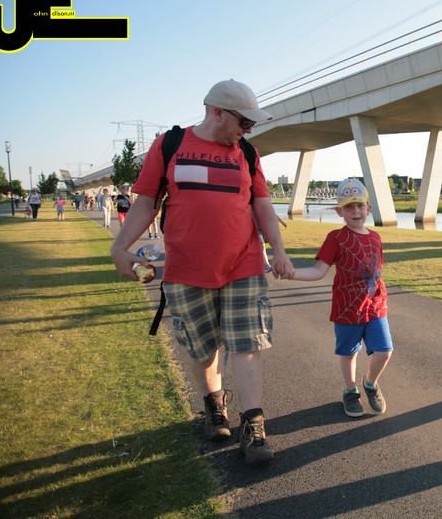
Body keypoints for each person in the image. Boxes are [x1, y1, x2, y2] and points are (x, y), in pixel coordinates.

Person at [110, 79, 294, 464]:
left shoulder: (247, 153)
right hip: (187, 269)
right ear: (217, 112)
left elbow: (262, 205)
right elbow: (146, 202)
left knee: (246, 344)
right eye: (244, 122)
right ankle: (214, 406)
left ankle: (253, 426)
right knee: (203, 347)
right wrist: (120, 247)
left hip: (243, 265)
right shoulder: (170, 145)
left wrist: (279, 250)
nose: (249, 131)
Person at [288, 179, 393, 418]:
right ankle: (350, 391)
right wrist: (291, 273)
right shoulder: (335, 237)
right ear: (339, 211)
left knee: (384, 351)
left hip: (376, 305)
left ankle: (370, 384)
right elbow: (318, 271)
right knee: (349, 353)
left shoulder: (376, 237)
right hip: (348, 307)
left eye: (360, 205)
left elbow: (375, 271)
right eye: (349, 207)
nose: (355, 211)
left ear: (369, 209)